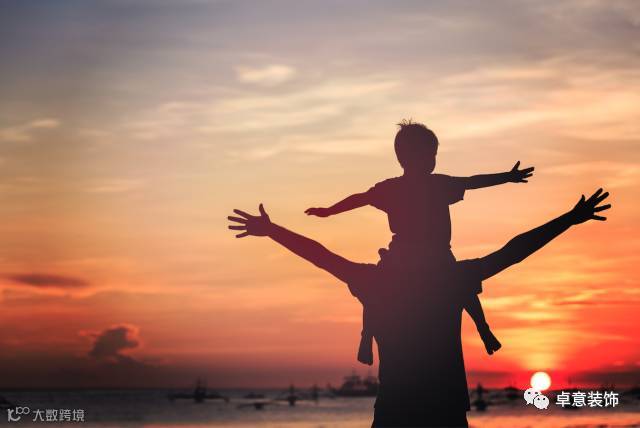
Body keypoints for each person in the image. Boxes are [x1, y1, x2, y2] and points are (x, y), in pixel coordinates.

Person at [228, 188, 610, 427]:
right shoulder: (450, 277)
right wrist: (569, 219)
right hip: (441, 410)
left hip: (398, 410)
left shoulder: (378, 280)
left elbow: (321, 256)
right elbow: (513, 251)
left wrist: (273, 230)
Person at [305, 120, 534, 362]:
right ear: (412, 157)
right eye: (431, 155)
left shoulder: (399, 187)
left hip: (412, 255)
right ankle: (481, 328)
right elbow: (472, 181)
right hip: (427, 255)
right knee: (461, 282)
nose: (433, 160)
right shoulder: (434, 185)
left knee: (375, 289)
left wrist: (329, 211)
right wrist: (508, 177)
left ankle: (370, 334)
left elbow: (359, 199)